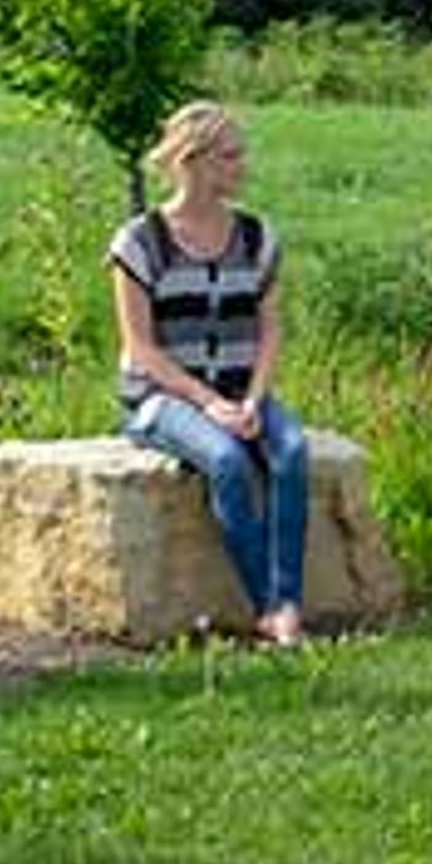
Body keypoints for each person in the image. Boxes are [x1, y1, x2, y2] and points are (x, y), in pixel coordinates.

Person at [110, 99, 310, 649]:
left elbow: (270, 331)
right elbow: (141, 349)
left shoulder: (256, 237)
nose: (241, 167)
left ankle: (288, 599)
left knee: (291, 451)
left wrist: (252, 398)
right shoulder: (139, 242)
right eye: (229, 157)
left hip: (240, 389)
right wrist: (207, 403)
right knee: (224, 460)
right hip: (161, 398)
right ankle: (269, 607)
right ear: (191, 161)